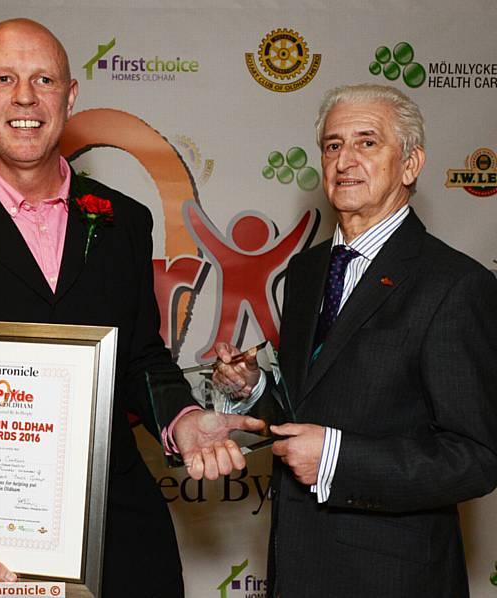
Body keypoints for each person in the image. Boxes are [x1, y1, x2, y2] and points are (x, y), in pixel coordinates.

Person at [0, 18, 261, 597]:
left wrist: (183, 420)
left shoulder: (123, 221)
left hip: (120, 539)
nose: (25, 97)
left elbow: (140, 357)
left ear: (70, 98)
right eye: (4, 78)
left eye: (44, 79)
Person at [213, 83, 497, 598]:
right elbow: (310, 408)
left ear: (410, 166)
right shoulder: (306, 270)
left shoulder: (455, 285)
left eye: (367, 142)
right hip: (296, 568)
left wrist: (337, 460)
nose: (345, 159)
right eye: (332, 144)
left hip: (392, 580)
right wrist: (255, 389)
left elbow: (475, 457)